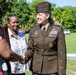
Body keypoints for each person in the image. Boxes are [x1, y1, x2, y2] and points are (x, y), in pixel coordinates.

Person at [22, 2, 66, 75]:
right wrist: (25, 56)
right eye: (37, 14)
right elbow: (30, 49)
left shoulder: (58, 30)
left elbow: (62, 54)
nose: (37, 17)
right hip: (36, 69)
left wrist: (61, 72)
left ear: (47, 15)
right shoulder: (33, 30)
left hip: (52, 69)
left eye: (39, 14)